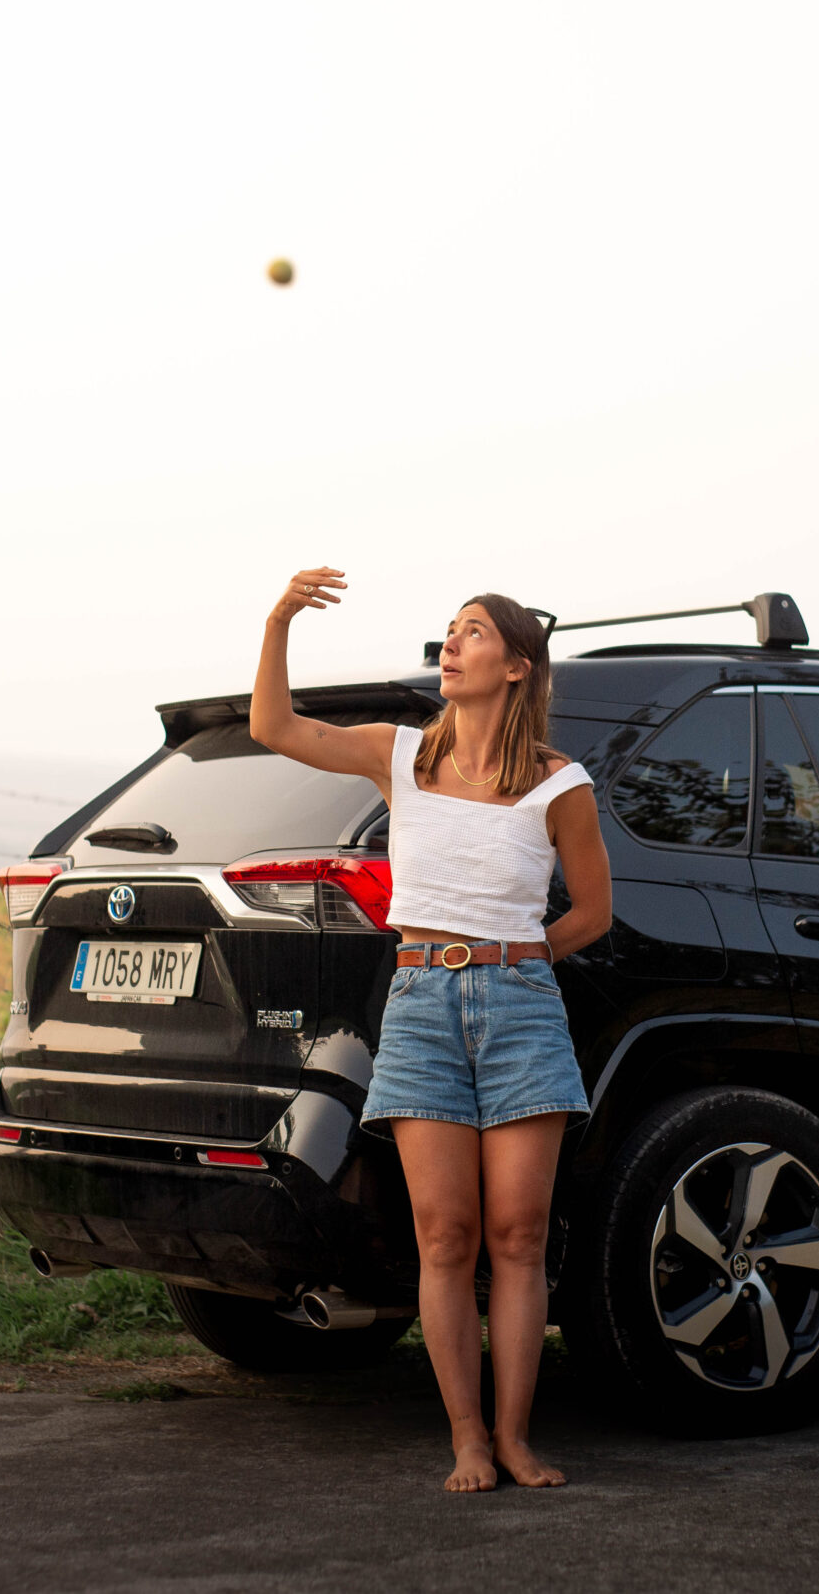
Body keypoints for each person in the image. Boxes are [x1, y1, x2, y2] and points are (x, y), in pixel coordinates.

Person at [251, 568, 612, 1492]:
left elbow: (593, 911)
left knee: (518, 1234)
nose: (452, 642)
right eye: (450, 629)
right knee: (446, 1236)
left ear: (518, 665)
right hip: (420, 1005)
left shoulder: (559, 784)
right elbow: (275, 727)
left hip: (522, 1007)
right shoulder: (400, 754)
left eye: (474, 631)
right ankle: (467, 1439)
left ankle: (516, 1436)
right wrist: (280, 619)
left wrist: (521, 957)